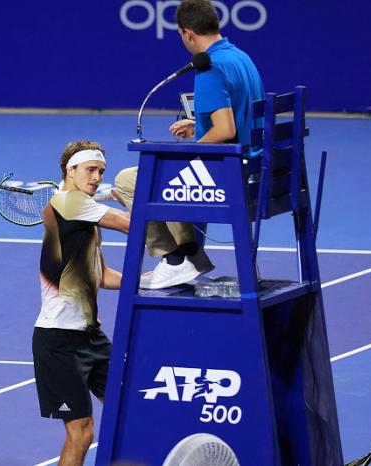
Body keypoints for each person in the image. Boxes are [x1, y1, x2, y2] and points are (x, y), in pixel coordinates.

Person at [114, 0, 264, 289]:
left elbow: (225, 130)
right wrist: (199, 126)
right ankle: (192, 257)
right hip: (256, 171)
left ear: (187, 33)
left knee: (130, 180)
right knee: (170, 171)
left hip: (230, 180)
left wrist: (188, 151)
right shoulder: (241, 58)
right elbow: (240, 117)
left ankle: (174, 259)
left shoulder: (209, 67)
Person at [32, 141, 129, 466]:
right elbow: (130, 224)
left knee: (127, 406)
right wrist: (144, 199)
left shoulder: (79, 213)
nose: (97, 177)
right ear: (70, 171)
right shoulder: (69, 202)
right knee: (82, 432)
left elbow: (103, 276)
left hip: (91, 337)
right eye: (91, 170)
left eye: (101, 171)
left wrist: (149, 281)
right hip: (58, 340)